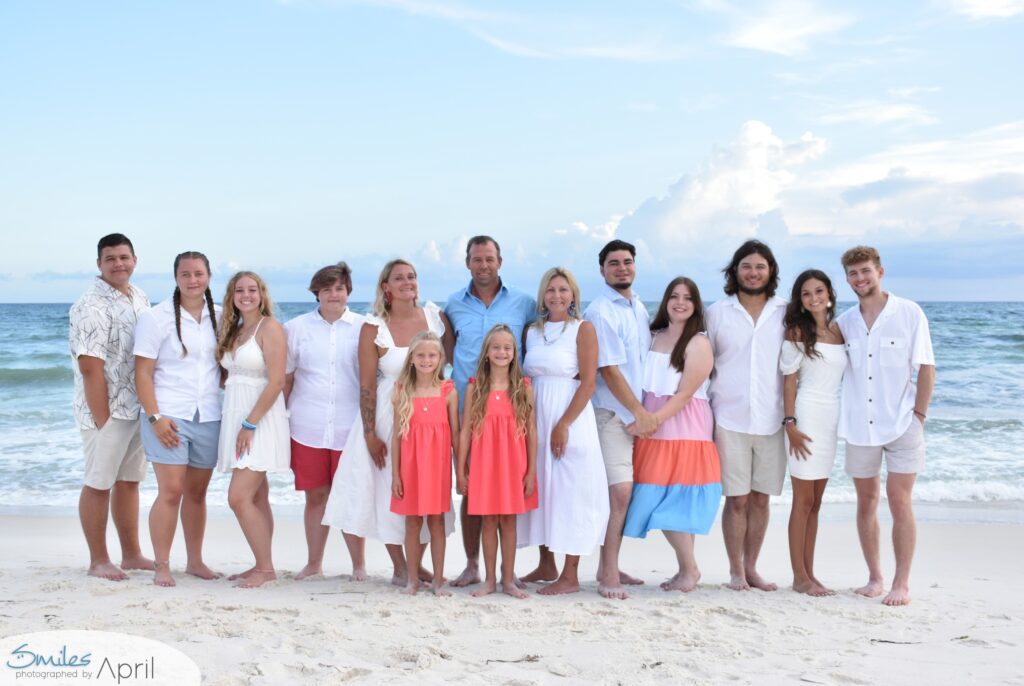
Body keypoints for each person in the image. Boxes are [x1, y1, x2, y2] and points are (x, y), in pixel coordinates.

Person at [323, 259, 456, 585]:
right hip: (387, 414)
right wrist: (370, 433)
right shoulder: (374, 327)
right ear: (386, 287)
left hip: (428, 414)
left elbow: (451, 366)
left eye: (412, 276)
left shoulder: (436, 318)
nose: (408, 282)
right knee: (388, 491)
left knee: (426, 489)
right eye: (399, 278)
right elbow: (367, 384)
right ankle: (400, 566)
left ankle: (417, 563)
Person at [837, 246, 935, 606]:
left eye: (865, 271)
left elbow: (926, 367)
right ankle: (875, 577)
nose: (860, 278)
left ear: (880, 271)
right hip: (860, 428)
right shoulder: (844, 322)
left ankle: (901, 583)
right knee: (866, 501)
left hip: (902, 423)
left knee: (899, 500)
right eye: (853, 274)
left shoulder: (909, 313)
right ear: (847, 279)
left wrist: (919, 417)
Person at [445, 236, 536, 588]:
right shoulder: (453, 304)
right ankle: (472, 565)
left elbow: (548, 332)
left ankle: (510, 573)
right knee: (472, 496)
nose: (484, 265)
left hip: (511, 409)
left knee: (509, 504)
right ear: (468, 262)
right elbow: (445, 350)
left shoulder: (524, 304)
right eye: (477, 259)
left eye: (490, 259)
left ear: (500, 261)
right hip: (471, 404)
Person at [623, 277, 722, 593]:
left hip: (685, 430)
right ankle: (686, 569)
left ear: (696, 305)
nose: (680, 302)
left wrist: (651, 421)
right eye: (675, 296)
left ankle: (689, 569)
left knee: (674, 504)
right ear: (666, 301)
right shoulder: (651, 336)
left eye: (688, 298)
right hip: (653, 429)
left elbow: (684, 395)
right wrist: (644, 420)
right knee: (657, 498)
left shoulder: (699, 342)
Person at [517, 267, 609, 595]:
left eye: (563, 290)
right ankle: (546, 562)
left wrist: (564, 423)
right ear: (543, 295)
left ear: (573, 295)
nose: (557, 295)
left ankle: (570, 575)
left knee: (571, 490)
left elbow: (588, 382)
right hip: (536, 412)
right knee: (541, 485)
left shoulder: (582, 329)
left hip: (569, 415)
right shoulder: (531, 331)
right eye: (551, 289)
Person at [134, 251, 223, 587]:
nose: (192, 280)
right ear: (176, 278)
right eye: (185, 274)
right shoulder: (155, 318)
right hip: (169, 415)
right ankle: (161, 564)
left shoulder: (221, 316)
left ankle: (196, 561)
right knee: (171, 491)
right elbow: (142, 373)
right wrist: (155, 417)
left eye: (198, 273)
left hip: (209, 416)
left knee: (197, 494)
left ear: (209, 276)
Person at [69, 233, 154, 581]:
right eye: (111, 258)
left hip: (136, 406)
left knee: (129, 481)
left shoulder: (139, 296)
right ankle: (98, 560)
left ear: (134, 259)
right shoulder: (90, 306)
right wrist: (103, 421)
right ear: (99, 264)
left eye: (124, 257)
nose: (119, 263)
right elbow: (90, 368)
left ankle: (131, 554)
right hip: (105, 412)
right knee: (99, 482)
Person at [706, 239, 787, 592]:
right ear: (734, 271)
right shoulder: (717, 312)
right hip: (728, 416)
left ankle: (752, 567)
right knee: (736, 498)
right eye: (746, 266)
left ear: (770, 272)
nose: (753, 273)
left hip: (773, 417)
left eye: (760, 267)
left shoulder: (785, 310)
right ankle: (735, 570)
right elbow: (701, 362)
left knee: (760, 498)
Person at [284, 262, 367, 580]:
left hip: (351, 427)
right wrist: (280, 418)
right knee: (316, 496)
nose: (334, 294)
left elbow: (370, 381)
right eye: (327, 288)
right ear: (316, 292)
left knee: (350, 497)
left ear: (348, 292)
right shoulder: (296, 329)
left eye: (340, 288)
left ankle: (358, 565)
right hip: (308, 426)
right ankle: (314, 563)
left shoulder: (364, 328)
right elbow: (288, 379)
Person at [584, 239, 653, 599]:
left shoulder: (638, 307)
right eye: (614, 263)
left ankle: (610, 564)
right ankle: (607, 574)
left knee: (627, 493)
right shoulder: (601, 311)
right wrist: (639, 412)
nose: (622, 268)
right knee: (618, 493)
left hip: (635, 416)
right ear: (602, 270)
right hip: (612, 413)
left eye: (627, 262)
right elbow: (608, 369)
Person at [215, 271, 290, 588]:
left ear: (262, 294)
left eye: (252, 289)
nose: (246, 295)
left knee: (238, 497)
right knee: (258, 497)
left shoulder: (269, 327)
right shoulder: (235, 330)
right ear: (232, 296)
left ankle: (265, 568)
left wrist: (249, 424)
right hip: (236, 415)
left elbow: (276, 381)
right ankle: (262, 563)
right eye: (239, 290)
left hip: (259, 418)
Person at [456, 324, 538, 599]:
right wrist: (461, 469)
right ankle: (489, 580)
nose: (502, 352)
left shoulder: (523, 387)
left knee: (509, 521)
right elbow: (465, 429)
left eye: (507, 347)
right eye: (496, 347)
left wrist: (531, 472)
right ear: (486, 353)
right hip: (484, 465)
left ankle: (508, 580)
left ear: (515, 353)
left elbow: (532, 432)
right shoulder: (475, 388)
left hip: (514, 464)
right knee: (488, 521)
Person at [780, 269, 846, 597]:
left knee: (817, 503)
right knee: (802, 500)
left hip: (830, 418)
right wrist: (790, 424)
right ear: (801, 301)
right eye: (806, 293)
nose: (813, 297)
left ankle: (810, 573)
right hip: (805, 416)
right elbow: (789, 380)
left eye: (818, 290)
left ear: (829, 293)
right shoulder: (796, 331)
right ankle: (798, 577)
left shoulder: (839, 331)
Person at [390, 332, 459, 597]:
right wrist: (396, 474)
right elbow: (397, 437)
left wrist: (459, 472)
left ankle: (439, 580)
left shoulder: (448, 391)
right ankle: (413, 580)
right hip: (410, 467)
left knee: (437, 522)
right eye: (420, 355)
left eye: (432, 355)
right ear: (411, 359)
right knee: (412, 523)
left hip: (438, 468)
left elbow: (455, 436)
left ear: (441, 358)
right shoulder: (402, 390)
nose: (426, 360)